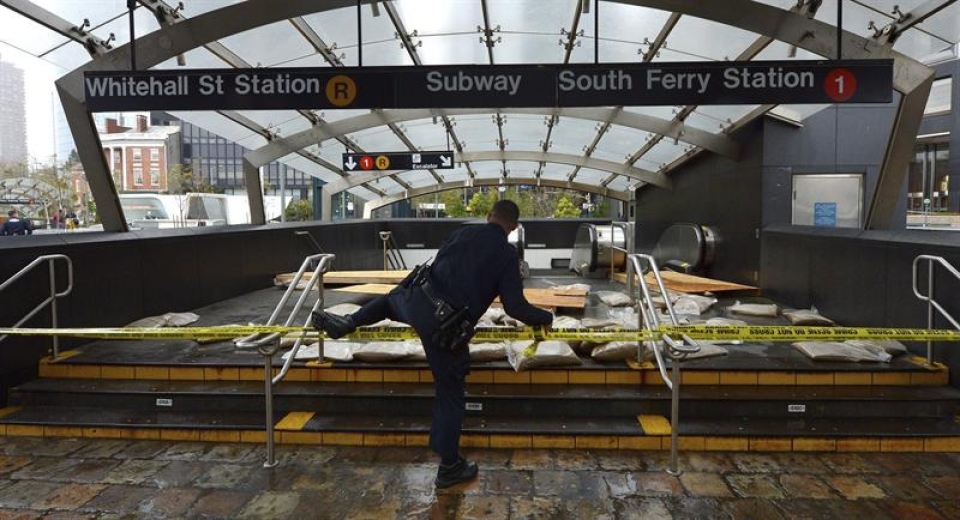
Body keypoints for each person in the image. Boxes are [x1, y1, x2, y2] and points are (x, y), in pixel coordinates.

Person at [312, 199, 553, 488]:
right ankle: (450, 466)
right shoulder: (506, 254)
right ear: (513, 227)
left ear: (488, 216)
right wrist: (544, 317)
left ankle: (348, 322)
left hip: (418, 300)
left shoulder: (461, 233)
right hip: (444, 327)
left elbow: (441, 267)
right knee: (450, 393)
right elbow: (514, 307)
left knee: (390, 300)